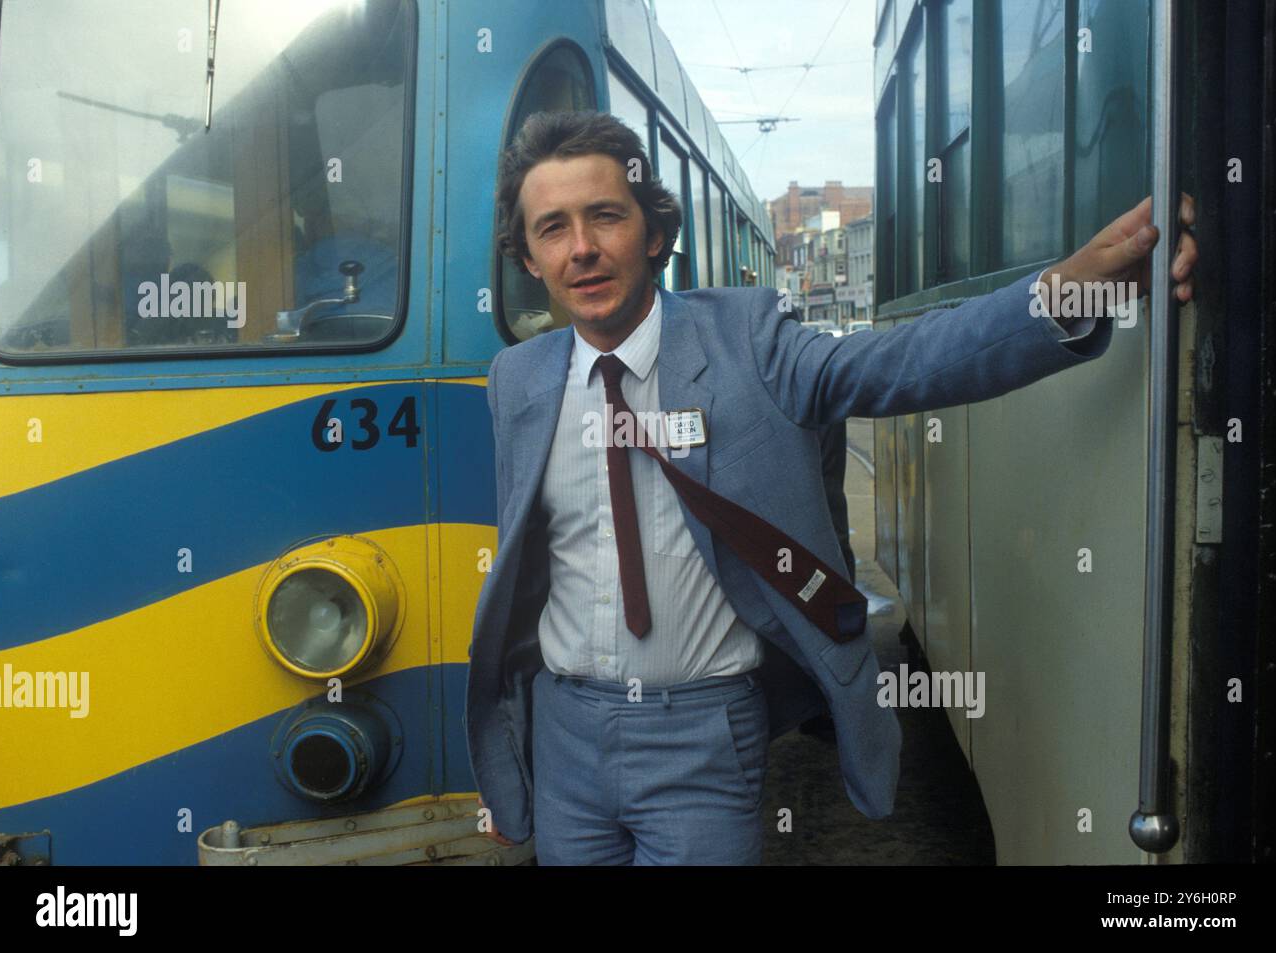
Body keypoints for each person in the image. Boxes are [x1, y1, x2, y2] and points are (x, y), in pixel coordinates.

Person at [467, 110, 1197, 865]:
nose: (581, 248)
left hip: (700, 737)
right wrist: (512, 751)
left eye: (605, 216)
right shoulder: (516, 380)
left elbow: (901, 363)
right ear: (530, 258)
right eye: (552, 228)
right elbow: (532, 575)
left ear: (653, 233)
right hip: (566, 740)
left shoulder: (749, 341)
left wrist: (1072, 290)